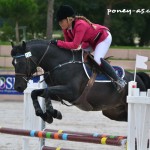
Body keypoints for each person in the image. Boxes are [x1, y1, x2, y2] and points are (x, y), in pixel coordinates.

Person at [51, 5, 126, 92]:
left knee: (98, 60)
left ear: (69, 19)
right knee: (78, 55)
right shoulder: (66, 29)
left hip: (103, 38)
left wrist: (58, 42)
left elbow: (75, 45)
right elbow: (69, 45)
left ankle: (118, 80)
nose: (60, 24)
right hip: (91, 42)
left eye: (61, 21)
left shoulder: (80, 25)